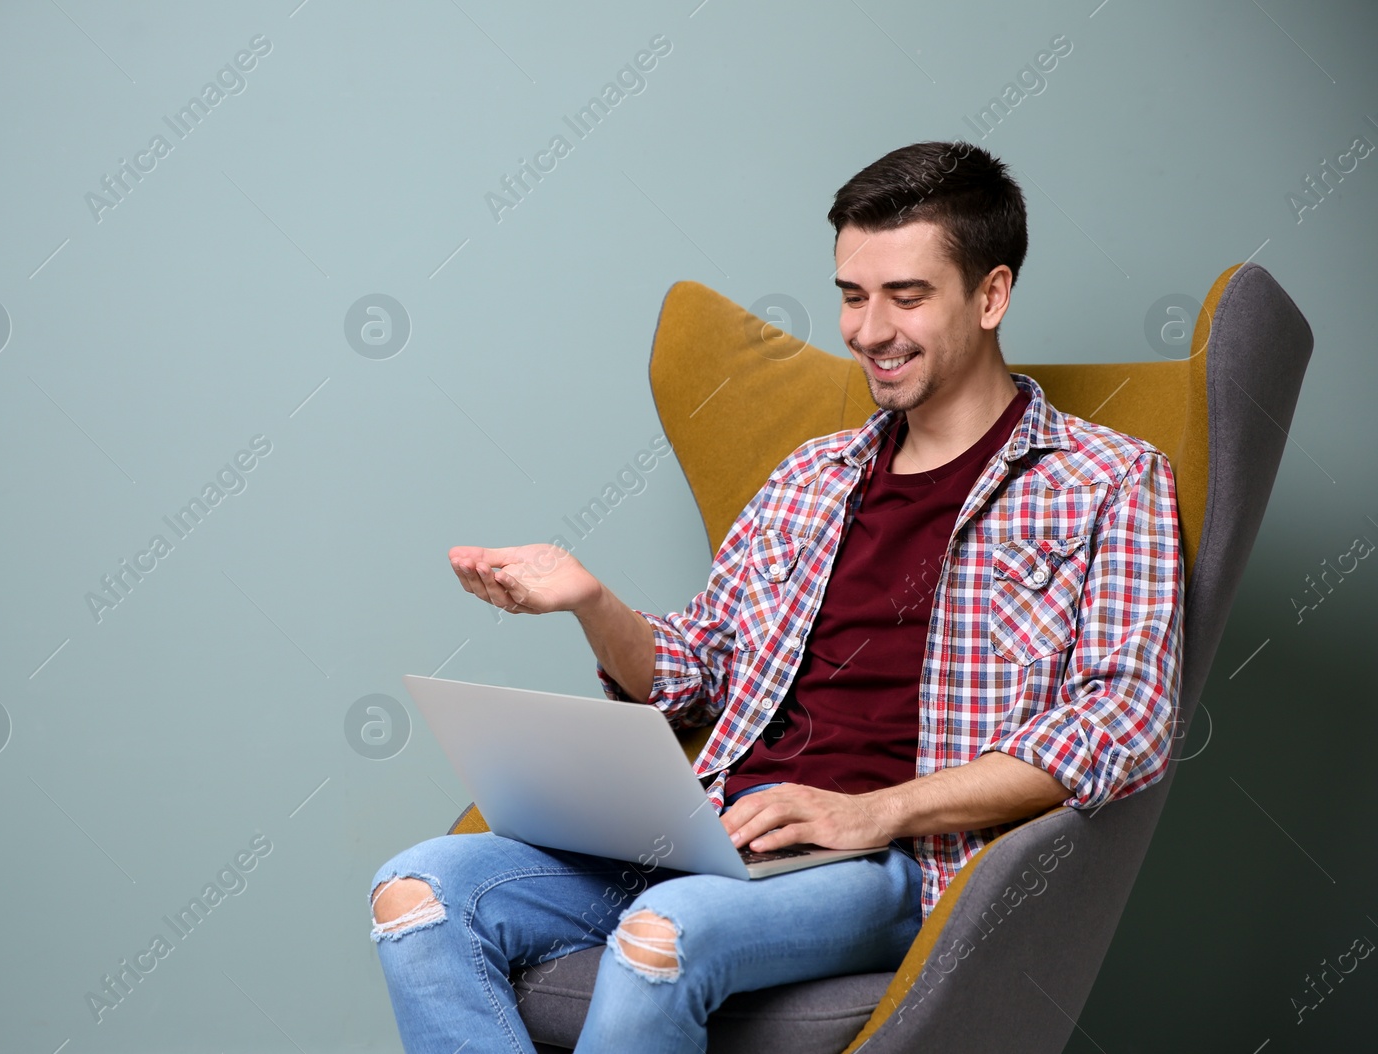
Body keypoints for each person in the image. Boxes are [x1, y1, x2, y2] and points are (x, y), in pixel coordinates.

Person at [368, 140, 1184, 1054]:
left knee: (662, 936)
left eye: (906, 296)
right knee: (418, 891)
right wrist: (592, 602)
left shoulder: (1108, 481)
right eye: (851, 294)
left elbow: (1124, 722)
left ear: (991, 295)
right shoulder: (813, 475)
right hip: (710, 828)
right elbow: (695, 667)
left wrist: (872, 811)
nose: (868, 330)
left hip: (882, 864)